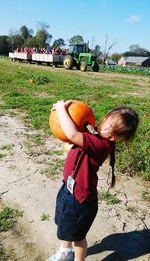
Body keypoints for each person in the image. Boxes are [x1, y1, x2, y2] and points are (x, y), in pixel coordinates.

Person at [46, 100, 139, 261]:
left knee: (78, 237)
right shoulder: (95, 134)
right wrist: (69, 112)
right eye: (111, 127)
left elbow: (72, 134)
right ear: (106, 117)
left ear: (122, 138)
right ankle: (65, 252)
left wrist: (61, 109)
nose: (111, 134)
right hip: (68, 189)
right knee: (65, 226)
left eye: (118, 134)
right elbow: (77, 129)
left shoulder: (102, 144)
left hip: (80, 200)